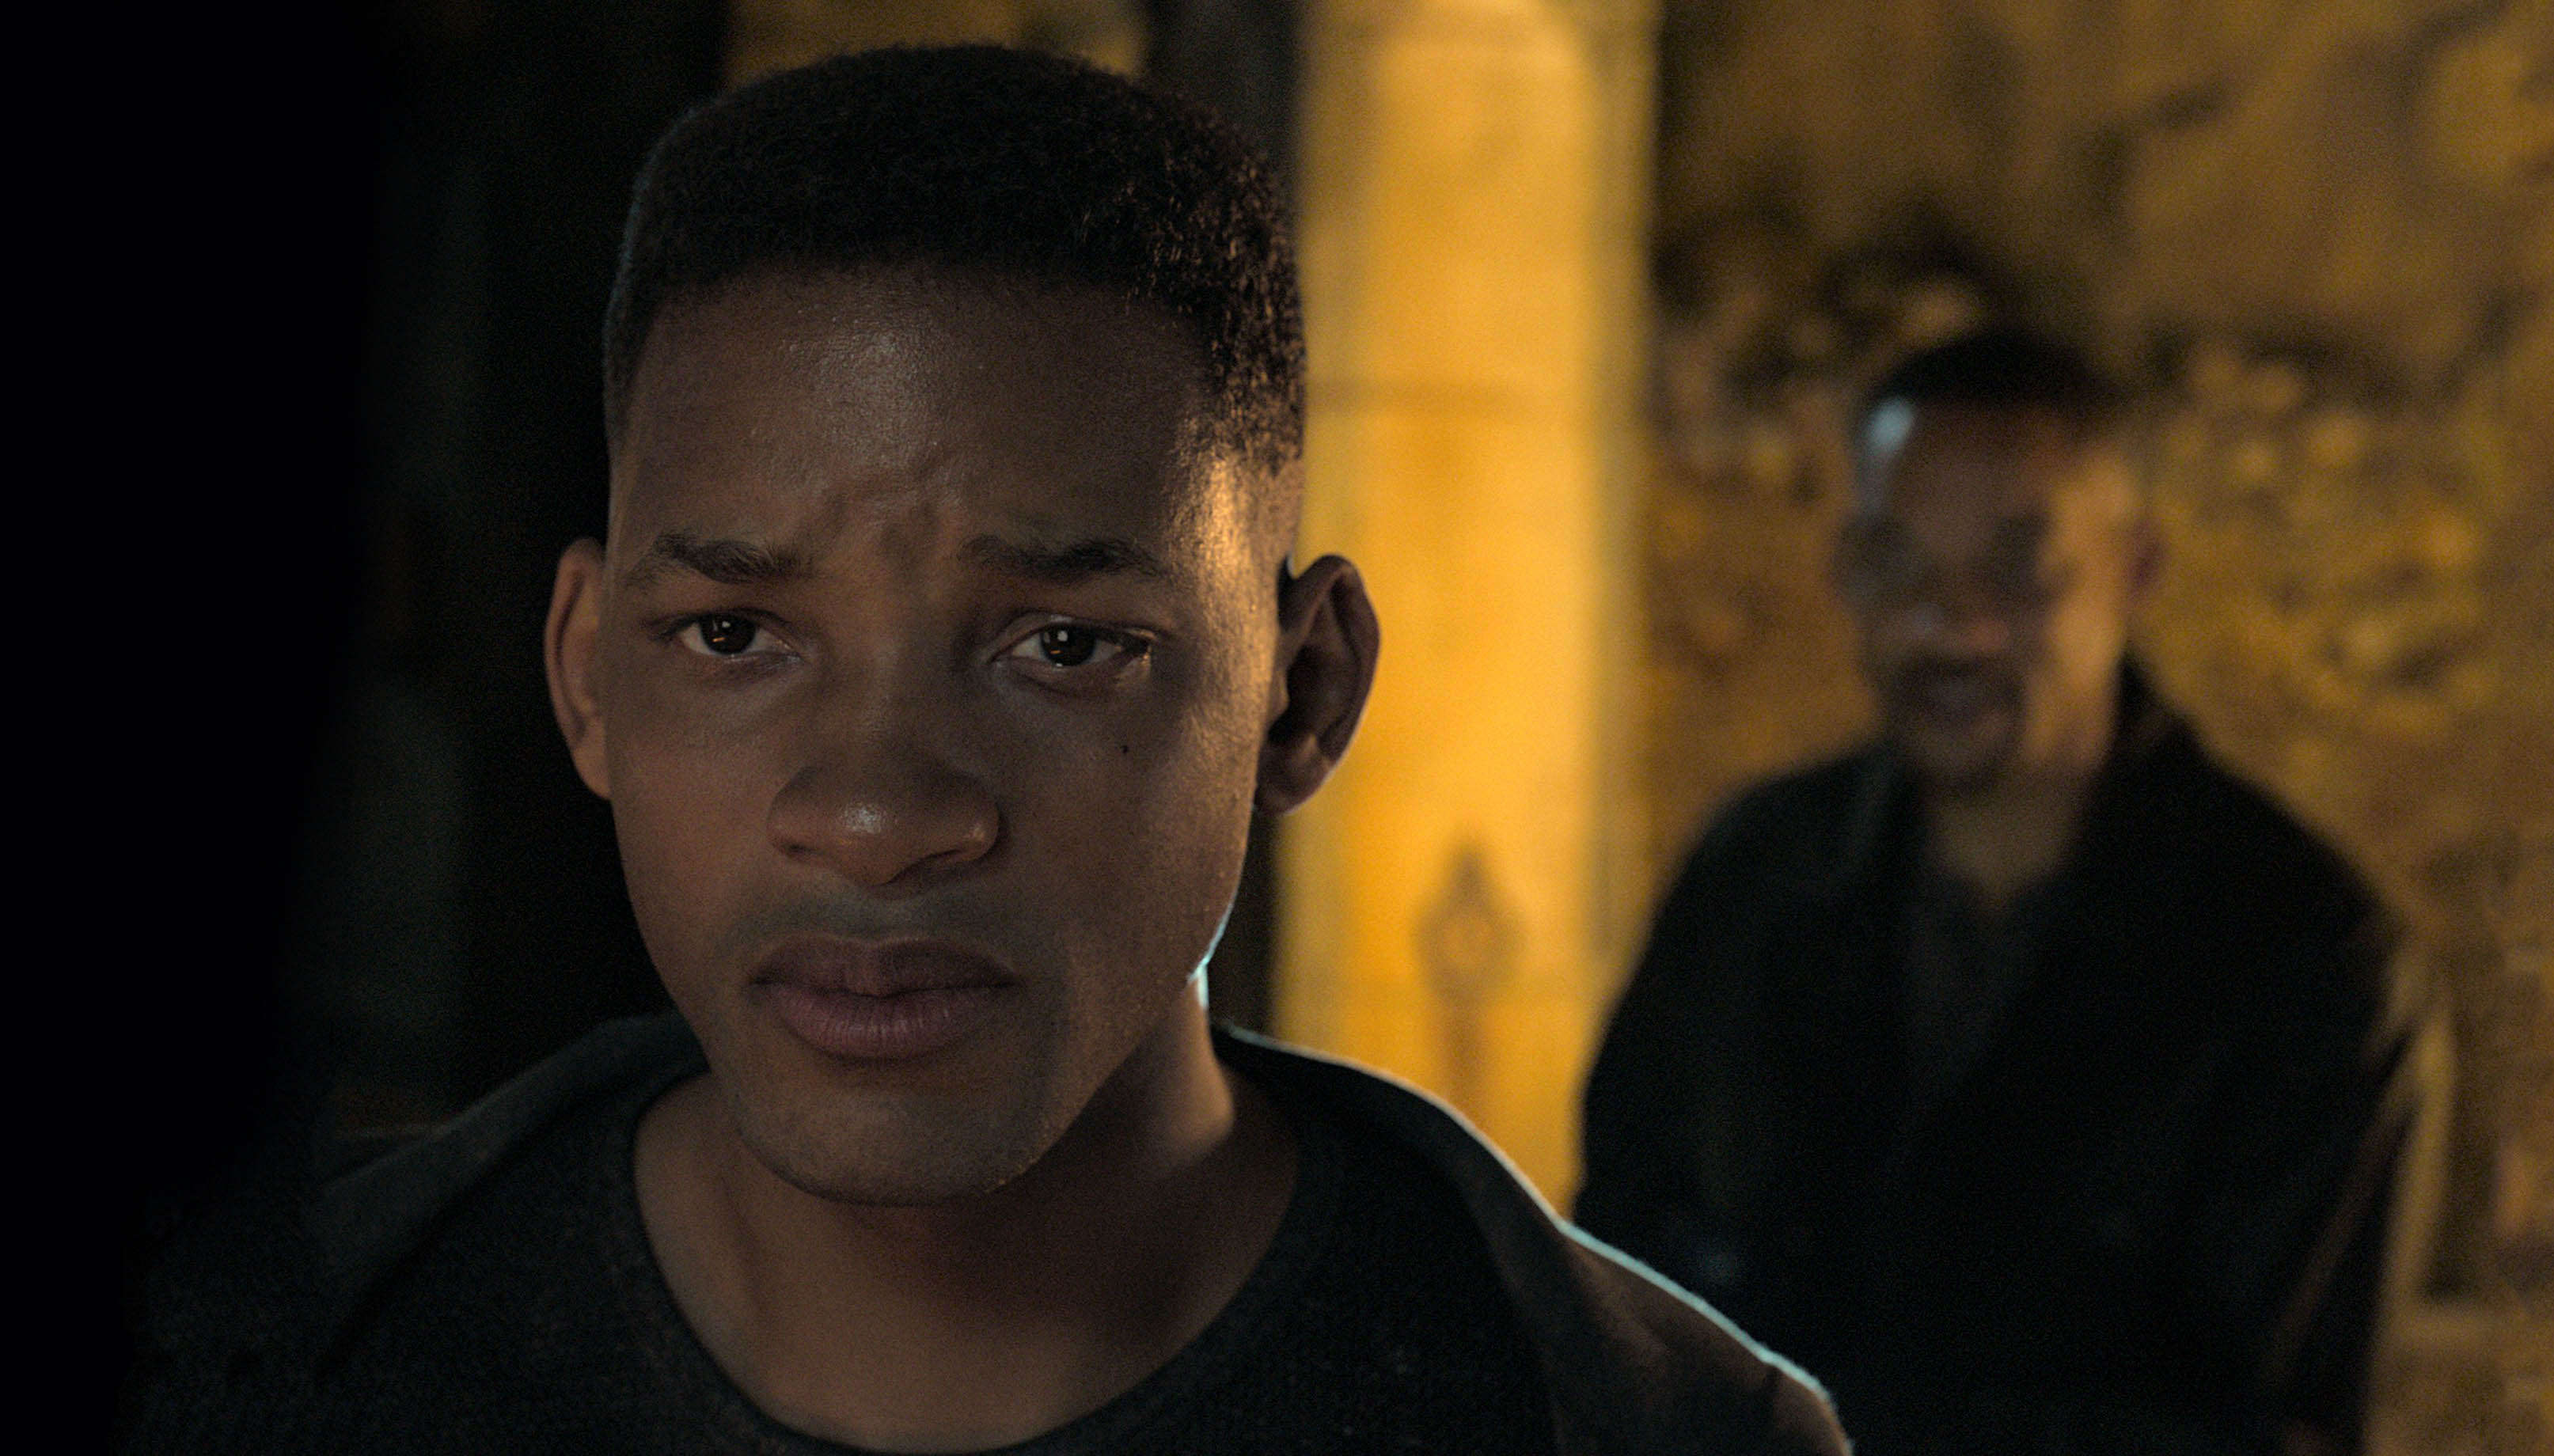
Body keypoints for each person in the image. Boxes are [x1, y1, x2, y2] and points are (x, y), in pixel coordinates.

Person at [124, 47, 1843, 1455]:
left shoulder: (1639, 1429)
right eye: (735, 635)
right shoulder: (241, 1375)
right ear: (587, 680)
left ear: (1301, 692)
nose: (877, 812)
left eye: (1063, 647)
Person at [1577, 329, 2417, 1454]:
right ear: (1845, 572)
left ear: (2134, 574)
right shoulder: (1751, 880)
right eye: (1896, 564)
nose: (1949, 624)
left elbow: (2268, 1424)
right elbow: (1615, 1291)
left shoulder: (2298, 950)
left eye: (2018, 571)